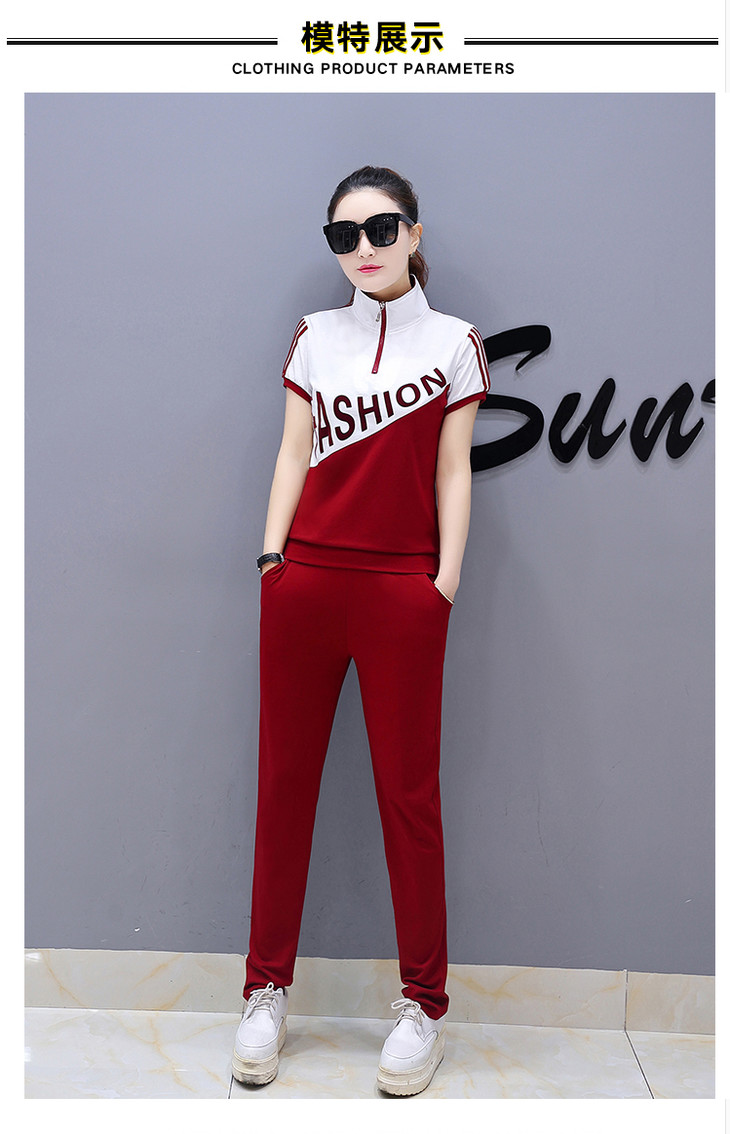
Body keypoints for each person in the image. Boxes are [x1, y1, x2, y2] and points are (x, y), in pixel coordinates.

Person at [232, 166, 489, 1096]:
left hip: (401, 592)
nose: (365, 248)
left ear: (415, 232)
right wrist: (273, 558)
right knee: (283, 788)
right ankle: (265, 990)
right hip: (305, 583)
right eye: (345, 235)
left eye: (381, 228)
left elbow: (454, 469)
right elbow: (292, 449)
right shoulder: (314, 336)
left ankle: (423, 1005)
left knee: (408, 797)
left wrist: (442, 583)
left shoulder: (456, 342)